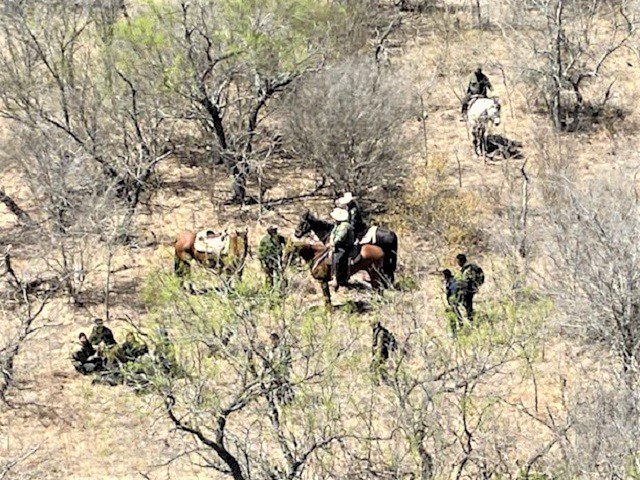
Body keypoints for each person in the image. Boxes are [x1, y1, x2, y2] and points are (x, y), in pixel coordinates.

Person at [329, 207, 355, 291]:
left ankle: (338, 278)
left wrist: (334, 242)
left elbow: (340, 237)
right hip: (339, 244)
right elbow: (333, 232)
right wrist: (332, 239)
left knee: (338, 259)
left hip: (344, 246)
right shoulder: (338, 224)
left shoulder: (345, 226)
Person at [264, 332, 293, 405]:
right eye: (271, 341)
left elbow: (287, 360)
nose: (272, 342)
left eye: (273, 340)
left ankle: (289, 403)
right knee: (276, 391)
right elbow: (267, 362)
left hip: (282, 373)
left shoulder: (283, 349)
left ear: (277, 340)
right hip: (273, 375)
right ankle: (278, 404)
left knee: (285, 388)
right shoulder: (270, 351)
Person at [456, 254, 485, 321]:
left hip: (469, 289)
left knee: (467, 303)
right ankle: (470, 316)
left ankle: (470, 318)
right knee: (467, 304)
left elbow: (467, 281)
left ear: (462, 261)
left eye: (458, 262)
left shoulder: (467, 269)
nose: (458, 264)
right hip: (472, 287)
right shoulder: (469, 266)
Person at [371, 320, 397, 384]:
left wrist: (376, 356)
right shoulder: (379, 331)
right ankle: (385, 381)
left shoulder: (381, 332)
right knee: (380, 368)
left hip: (381, 353)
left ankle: (377, 383)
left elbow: (380, 345)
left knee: (374, 367)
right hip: (381, 353)